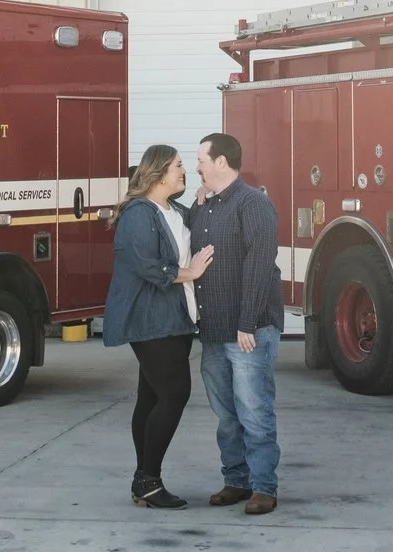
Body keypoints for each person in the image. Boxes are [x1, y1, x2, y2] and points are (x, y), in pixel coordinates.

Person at [103, 143, 214, 508]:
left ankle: (144, 481)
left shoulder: (175, 211)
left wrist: (201, 201)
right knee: (175, 393)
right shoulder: (138, 213)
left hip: (176, 319)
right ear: (160, 172)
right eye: (178, 165)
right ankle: (148, 480)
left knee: (151, 397)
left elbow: (189, 236)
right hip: (150, 320)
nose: (185, 171)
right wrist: (190, 273)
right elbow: (147, 265)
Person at [187, 131, 285, 515]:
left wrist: (247, 323)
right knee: (227, 416)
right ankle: (236, 480)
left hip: (249, 331)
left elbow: (259, 266)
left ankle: (263, 487)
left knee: (254, 411)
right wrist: (198, 200)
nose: (196, 167)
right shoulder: (203, 207)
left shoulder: (253, 204)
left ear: (221, 162)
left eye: (201, 160)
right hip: (213, 331)